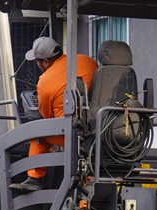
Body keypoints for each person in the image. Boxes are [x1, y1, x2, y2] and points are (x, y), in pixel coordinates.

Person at [9, 36, 98, 192]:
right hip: (99, 126)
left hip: (74, 132)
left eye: (37, 61)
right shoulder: (87, 61)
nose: (37, 65)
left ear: (45, 62)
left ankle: (35, 178)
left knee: (38, 133)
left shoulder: (44, 82)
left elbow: (46, 116)